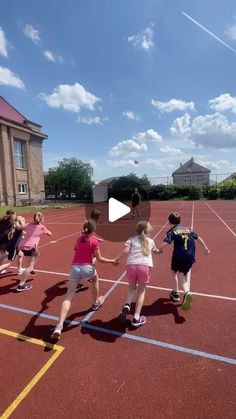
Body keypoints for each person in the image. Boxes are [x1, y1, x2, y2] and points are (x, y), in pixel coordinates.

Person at [51, 219, 117, 340]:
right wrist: (112, 261)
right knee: (95, 280)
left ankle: (59, 326)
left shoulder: (78, 238)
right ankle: (94, 303)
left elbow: (76, 248)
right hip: (87, 268)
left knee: (68, 297)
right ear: (94, 230)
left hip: (75, 267)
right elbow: (100, 258)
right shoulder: (94, 242)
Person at [159, 212, 210, 311]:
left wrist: (158, 248)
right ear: (180, 221)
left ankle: (177, 293)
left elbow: (165, 243)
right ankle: (184, 292)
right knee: (182, 275)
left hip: (179, 256)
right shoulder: (188, 229)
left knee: (174, 273)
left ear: (169, 222)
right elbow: (198, 238)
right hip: (190, 256)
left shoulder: (171, 231)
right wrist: (205, 248)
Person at [114, 221, 160, 327]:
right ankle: (136, 317)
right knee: (141, 291)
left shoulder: (131, 239)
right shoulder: (151, 241)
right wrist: (159, 250)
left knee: (131, 288)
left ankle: (127, 304)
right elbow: (156, 251)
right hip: (145, 266)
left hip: (131, 265)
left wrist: (116, 259)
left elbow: (126, 251)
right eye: (150, 226)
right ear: (146, 230)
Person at [17, 212, 52, 292]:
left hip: (23, 246)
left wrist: (17, 221)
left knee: (37, 253)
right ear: (42, 219)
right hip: (30, 247)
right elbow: (50, 234)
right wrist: (45, 232)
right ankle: (21, 285)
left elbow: (19, 228)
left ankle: (31, 269)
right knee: (28, 266)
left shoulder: (28, 225)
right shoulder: (42, 227)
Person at [76, 208, 102, 292]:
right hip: (84, 242)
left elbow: (88, 234)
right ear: (97, 217)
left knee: (85, 262)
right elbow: (86, 234)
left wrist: (97, 239)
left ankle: (87, 274)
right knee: (86, 262)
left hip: (83, 242)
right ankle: (87, 274)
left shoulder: (90, 222)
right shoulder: (89, 223)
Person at [0, 210, 16, 274]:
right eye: (15, 215)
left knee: (2, 254)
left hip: (1, 238)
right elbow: (10, 234)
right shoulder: (11, 223)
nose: (15, 216)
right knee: (4, 254)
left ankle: (0, 269)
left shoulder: (2, 220)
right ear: (12, 216)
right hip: (4, 240)